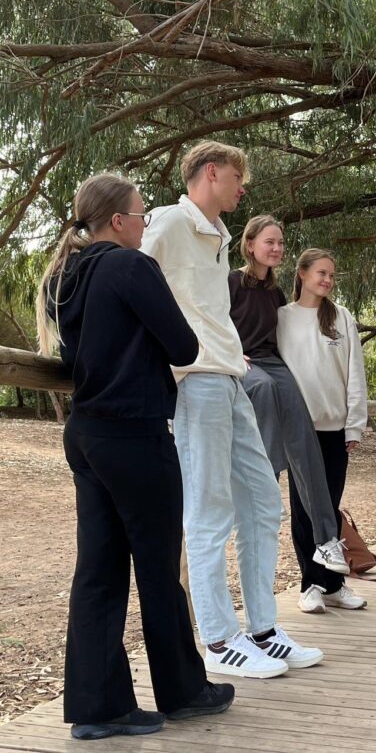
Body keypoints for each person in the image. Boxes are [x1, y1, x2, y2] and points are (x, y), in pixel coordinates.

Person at [36, 173, 233, 741]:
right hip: (135, 433)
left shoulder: (64, 276)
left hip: (87, 433)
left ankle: (98, 707)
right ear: (118, 221)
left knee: (97, 571)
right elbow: (184, 346)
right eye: (142, 214)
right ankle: (183, 690)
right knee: (157, 566)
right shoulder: (130, 266)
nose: (146, 223)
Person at [141, 142, 322, 681]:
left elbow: (207, 309)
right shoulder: (170, 222)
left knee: (264, 499)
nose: (243, 189)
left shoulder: (217, 234)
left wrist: (227, 352)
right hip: (194, 380)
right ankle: (219, 639)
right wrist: (168, 355)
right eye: (238, 178)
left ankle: (262, 629)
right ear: (211, 172)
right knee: (209, 508)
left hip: (229, 375)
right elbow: (131, 282)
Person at [228, 217, 349, 579]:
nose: (277, 248)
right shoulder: (230, 282)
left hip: (270, 362)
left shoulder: (276, 294)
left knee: (303, 433)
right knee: (264, 388)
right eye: (270, 242)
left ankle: (326, 538)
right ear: (250, 244)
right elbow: (211, 322)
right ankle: (266, 489)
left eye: (280, 243)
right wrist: (229, 352)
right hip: (240, 361)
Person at [277, 248, 369, 614]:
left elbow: (355, 372)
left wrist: (354, 425)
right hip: (299, 429)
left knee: (329, 505)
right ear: (302, 273)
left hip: (335, 428)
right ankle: (311, 585)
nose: (328, 280)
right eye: (321, 273)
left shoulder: (341, 317)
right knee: (304, 510)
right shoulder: (282, 317)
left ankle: (333, 585)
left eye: (332, 275)